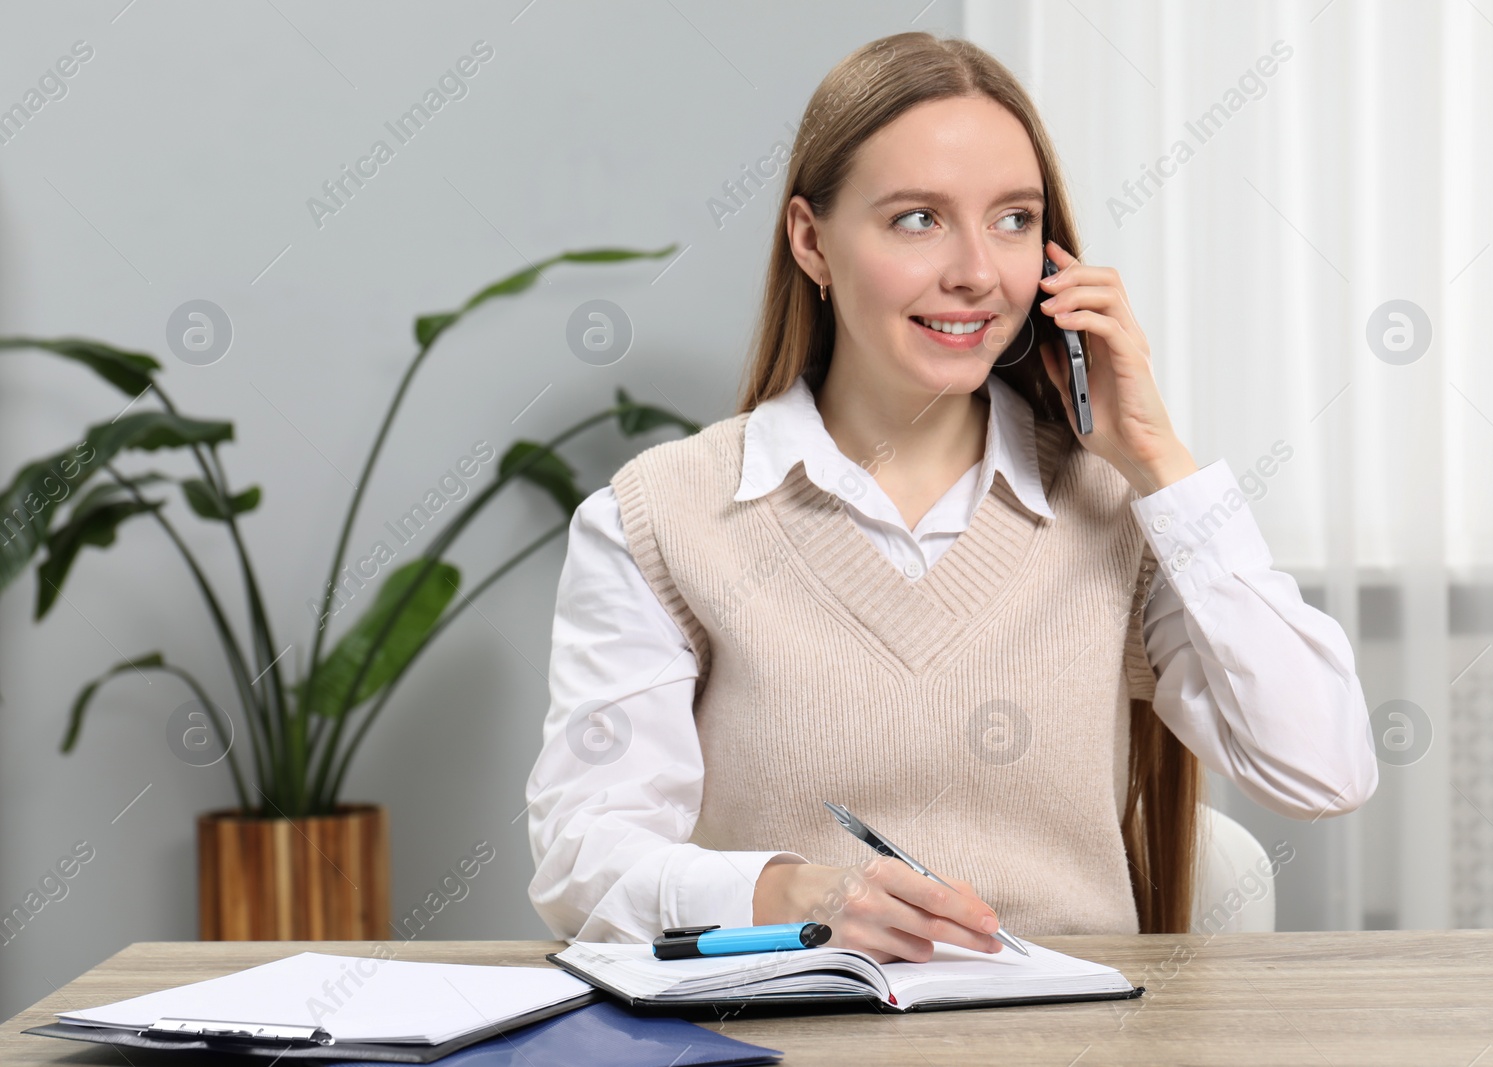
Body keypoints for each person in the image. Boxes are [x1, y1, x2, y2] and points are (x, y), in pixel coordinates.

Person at [524, 31, 1379, 964]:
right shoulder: (661, 519)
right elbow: (582, 858)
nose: (979, 271)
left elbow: (1323, 768)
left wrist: (1159, 463)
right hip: (794, 1037)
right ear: (811, 241)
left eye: (1014, 219)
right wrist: (800, 894)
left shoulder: (1120, 511)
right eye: (918, 219)